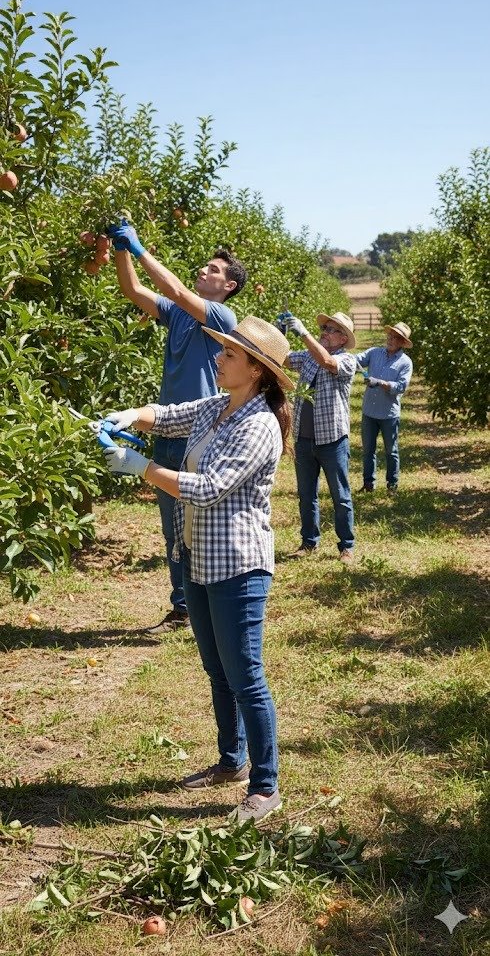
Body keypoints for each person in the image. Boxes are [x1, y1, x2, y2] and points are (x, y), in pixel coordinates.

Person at [102, 315, 294, 824]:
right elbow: (169, 416)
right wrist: (132, 415)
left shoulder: (257, 424)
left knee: (246, 676)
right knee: (217, 669)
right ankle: (231, 761)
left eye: (229, 354)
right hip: (198, 556)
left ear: (256, 370)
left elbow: (208, 489)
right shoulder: (217, 406)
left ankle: (265, 785)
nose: (219, 358)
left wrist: (141, 467)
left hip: (238, 566)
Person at [106, 219, 247, 633]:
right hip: (166, 429)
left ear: (228, 286)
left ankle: (204, 604)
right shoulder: (178, 315)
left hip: (196, 434)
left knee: (195, 527)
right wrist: (120, 251)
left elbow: (177, 291)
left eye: (214, 270)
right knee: (172, 530)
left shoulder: (221, 315)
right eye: (206, 266)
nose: (204, 270)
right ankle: (183, 608)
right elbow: (133, 291)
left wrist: (139, 248)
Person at [282, 310, 357, 562]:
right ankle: (309, 542)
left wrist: (303, 333)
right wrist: (279, 334)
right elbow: (283, 360)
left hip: (332, 440)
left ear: (344, 338)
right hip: (304, 439)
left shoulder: (347, 360)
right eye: (324, 328)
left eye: (332, 330)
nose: (325, 332)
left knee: (340, 495)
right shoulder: (308, 357)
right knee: (306, 495)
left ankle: (346, 546)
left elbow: (328, 362)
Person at [356, 321, 413, 493]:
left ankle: (392, 484)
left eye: (395, 337)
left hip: (389, 414)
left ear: (402, 342)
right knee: (368, 450)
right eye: (390, 335)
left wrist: (379, 382)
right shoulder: (374, 353)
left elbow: (400, 387)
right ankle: (368, 484)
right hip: (369, 411)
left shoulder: (405, 362)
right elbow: (357, 359)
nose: (390, 339)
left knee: (391, 451)